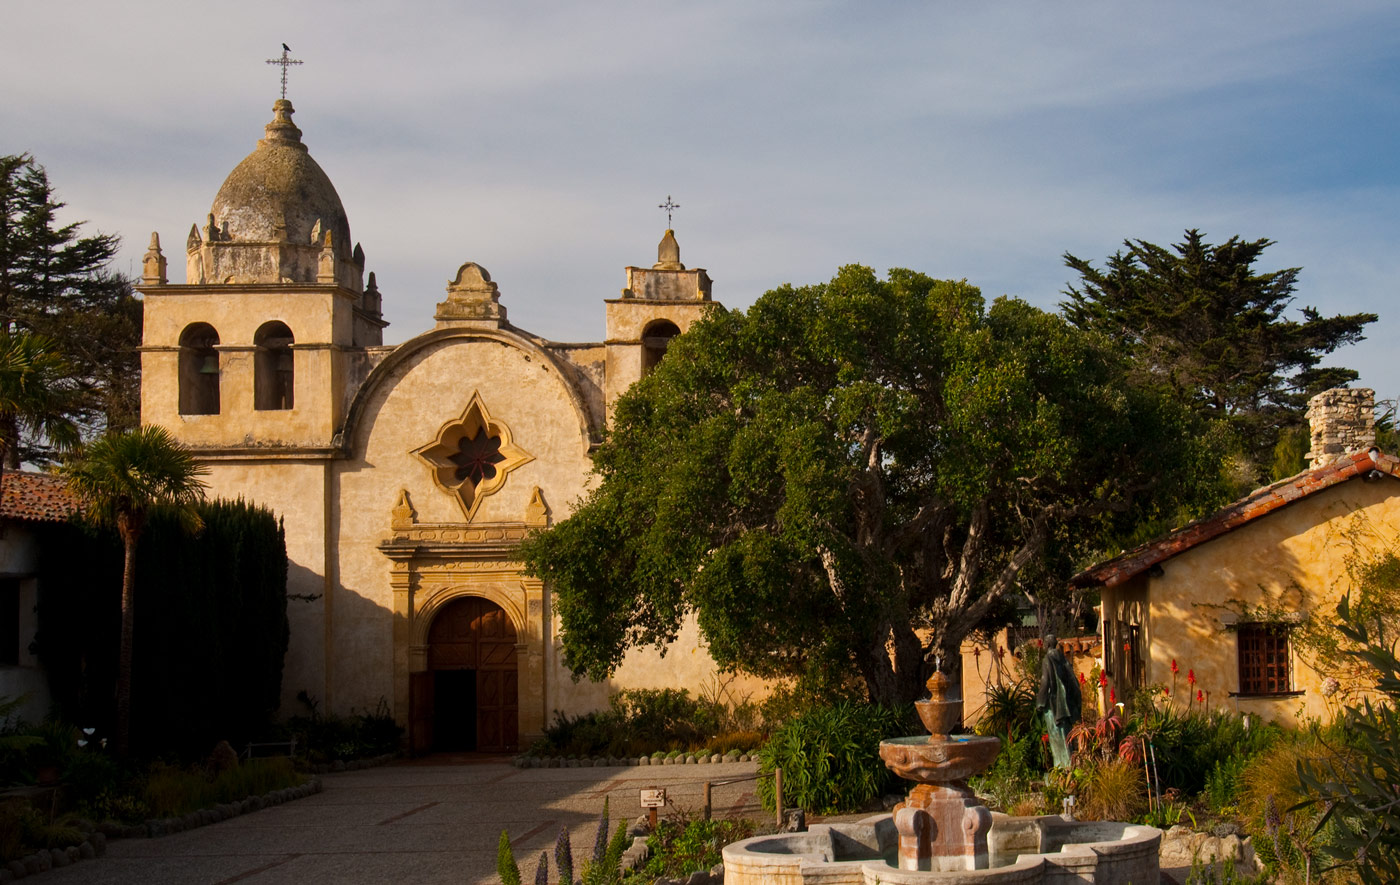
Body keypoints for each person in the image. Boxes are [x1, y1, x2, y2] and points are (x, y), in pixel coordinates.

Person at [1035, 632, 1081, 769]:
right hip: (1065, 704)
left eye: (1045, 643)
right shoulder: (1063, 659)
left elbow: (1045, 682)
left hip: (1053, 705)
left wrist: (1040, 702)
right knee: (1066, 735)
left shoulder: (1047, 659)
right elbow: (1073, 681)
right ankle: (1070, 766)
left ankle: (1062, 768)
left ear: (1048, 644)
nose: (1043, 645)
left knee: (1057, 737)